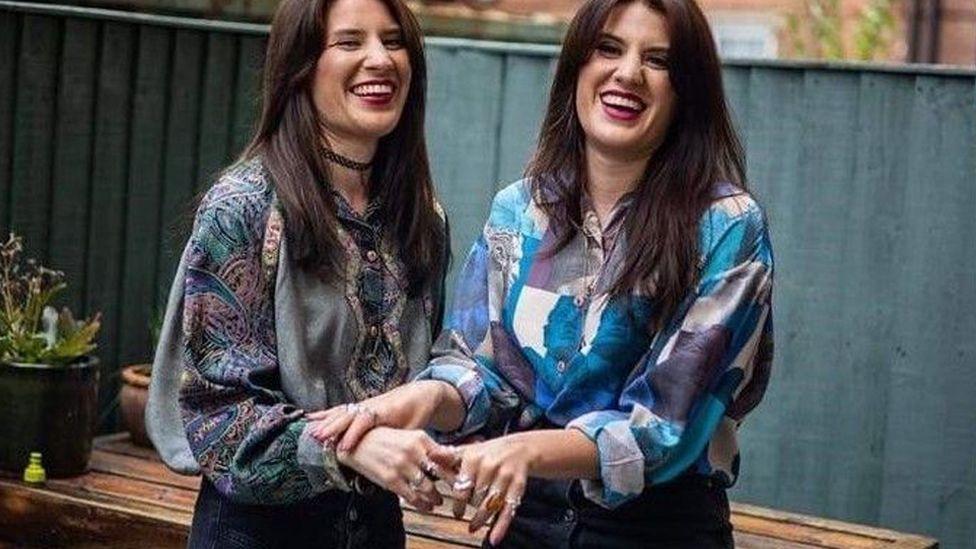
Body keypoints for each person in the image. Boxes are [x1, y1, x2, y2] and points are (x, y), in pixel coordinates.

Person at [310, 0, 775, 547]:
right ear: (576, 67)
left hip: (656, 528)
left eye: (658, 60)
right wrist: (420, 400)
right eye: (608, 48)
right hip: (521, 520)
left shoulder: (727, 227)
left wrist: (526, 450)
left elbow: (664, 430)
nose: (627, 73)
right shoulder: (520, 209)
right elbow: (477, 365)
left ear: (686, 90)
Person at [144, 0, 453, 546]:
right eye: (350, 42)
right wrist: (348, 447)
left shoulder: (421, 217)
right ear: (300, 66)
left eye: (394, 40)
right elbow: (216, 420)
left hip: (377, 528)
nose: (380, 60)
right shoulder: (243, 207)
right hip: (257, 530)